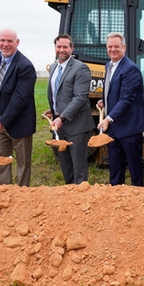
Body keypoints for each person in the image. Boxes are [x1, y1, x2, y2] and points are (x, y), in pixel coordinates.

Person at [0, 28, 37, 186]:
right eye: (2, 40)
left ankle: (22, 194)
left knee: (23, 164)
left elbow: (20, 99)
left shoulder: (25, 66)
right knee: (1, 160)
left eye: (10, 41)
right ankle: (3, 193)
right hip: (0, 120)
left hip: (20, 122)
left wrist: (2, 121)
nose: (6, 44)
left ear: (17, 43)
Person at [97, 32, 144, 186]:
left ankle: (138, 195)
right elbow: (115, 92)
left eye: (116, 46)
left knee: (134, 166)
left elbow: (126, 99)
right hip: (114, 127)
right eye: (110, 47)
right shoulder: (109, 65)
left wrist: (108, 118)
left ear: (124, 47)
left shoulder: (130, 69)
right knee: (115, 166)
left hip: (130, 127)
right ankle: (116, 196)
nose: (113, 49)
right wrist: (105, 101)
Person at [46, 34, 94, 184]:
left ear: (71, 48)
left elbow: (80, 97)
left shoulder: (81, 68)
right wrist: (53, 110)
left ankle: (81, 197)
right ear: (55, 48)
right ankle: (69, 195)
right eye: (59, 47)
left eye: (65, 47)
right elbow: (57, 93)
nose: (61, 50)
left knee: (78, 167)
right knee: (65, 165)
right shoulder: (54, 67)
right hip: (60, 125)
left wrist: (62, 117)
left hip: (77, 125)